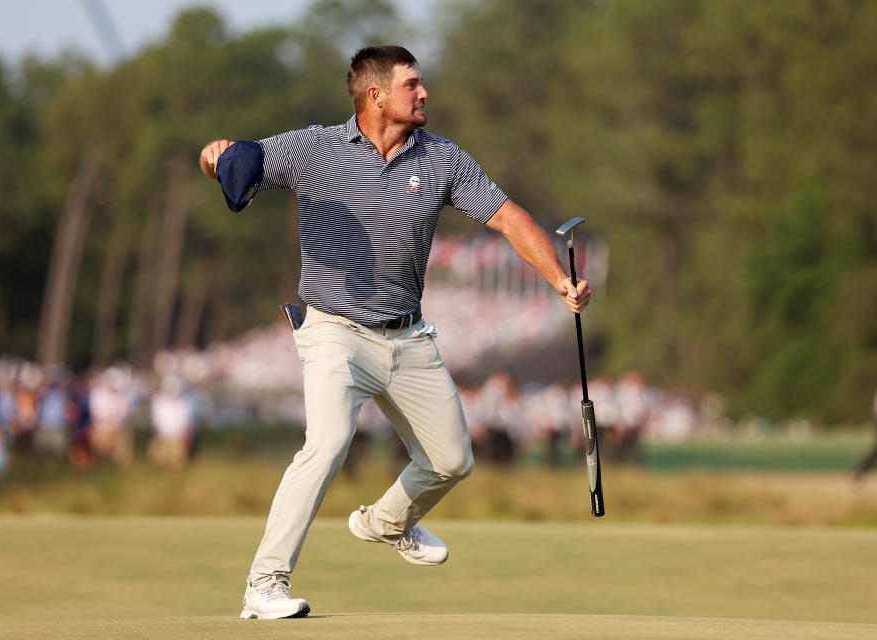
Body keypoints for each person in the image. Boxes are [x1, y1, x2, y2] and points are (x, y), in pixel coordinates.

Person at [198, 45, 592, 620]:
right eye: (413, 84)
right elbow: (243, 161)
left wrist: (560, 279)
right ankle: (265, 585)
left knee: (453, 460)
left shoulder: (442, 159)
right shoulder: (317, 148)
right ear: (376, 95)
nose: (425, 92)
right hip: (333, 329)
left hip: (407, 338)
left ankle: (385, 524)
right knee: (327, 444)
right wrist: (215, 159)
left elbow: (507, 217)